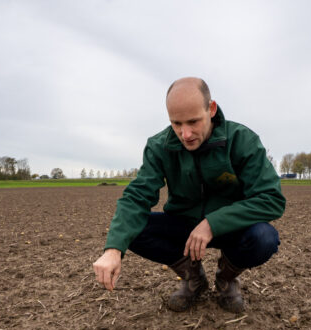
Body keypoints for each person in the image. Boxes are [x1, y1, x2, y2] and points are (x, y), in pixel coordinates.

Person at [93, 77, 285, 313]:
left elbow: (272, 200)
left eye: (193, 121)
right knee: (133, 229)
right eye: (176, 124)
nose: (185, 134)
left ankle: (226, 278)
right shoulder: (159, 146)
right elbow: (136, 196)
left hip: (230, 228)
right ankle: (194, 278)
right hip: (184, 227)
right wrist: (113, 249)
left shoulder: (242, 140)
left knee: (264, 237)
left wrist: (213, 224)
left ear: (211, 109)